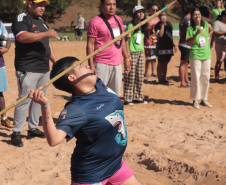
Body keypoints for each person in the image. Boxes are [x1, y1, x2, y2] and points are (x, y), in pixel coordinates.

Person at [28, 56, 142, 185]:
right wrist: (44, 105)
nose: (87, 65)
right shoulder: (76, 108)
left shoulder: (98, 84)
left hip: (116, 165)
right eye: (81, 65)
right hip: (91, 174)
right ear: (71, 77)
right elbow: (54, 140)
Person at [11, 0, 58, 147]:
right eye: (40, 5)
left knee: (39, 98)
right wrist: (46, 34)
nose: (43, 8)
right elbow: (22, 37)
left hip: (43, 68)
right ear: (30, 3)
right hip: (28, 67)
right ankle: (16, 132)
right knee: (24, 100)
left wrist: (55, 61)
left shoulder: (42, 22)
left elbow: (47, 43)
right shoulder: (22, 18)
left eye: (44, 5)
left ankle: (33, 128)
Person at [87, 0, 131, 96]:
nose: (112, 7)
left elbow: (122, 41)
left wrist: (126, 58)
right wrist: (91, 64)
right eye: (108, 5)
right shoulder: (95, 21)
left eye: (114, 4)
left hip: (117, 64)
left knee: (114, 96)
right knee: (99, 95)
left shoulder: (118, 19)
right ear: (101, 6)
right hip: (101, 64)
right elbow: (90, 44)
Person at [186, 7, 213, 109]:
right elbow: (189, 43)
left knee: (205, 78)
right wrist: (196, 34)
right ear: (192, 17)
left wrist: (209, 36)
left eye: (199, 14)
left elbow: (211, 29)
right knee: (196, 78)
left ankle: (204, 99)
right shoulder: (190, 29)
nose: (198, 16)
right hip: (195, 55)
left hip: (206, 54)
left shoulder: (206, 25)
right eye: (195, 15)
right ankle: (195, 100)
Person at [124, 5, 148, 105]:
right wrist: (128, 56)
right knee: (131, 76)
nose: (141, 13)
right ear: (135, 14)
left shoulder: (143, 25)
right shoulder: (131, 26)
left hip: (140, 52)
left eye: (143, 12)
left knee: (139, 76)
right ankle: (128, 98)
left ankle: (138, 97)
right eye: (139, 12)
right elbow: (126, 40)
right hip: (132, 53)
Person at [155, 11, 177, 84]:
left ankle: (164, 78)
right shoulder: (157, 25)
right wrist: (162, 24)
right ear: (159, 17)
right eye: (162, 15)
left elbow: (171, 36)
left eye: (165, 15)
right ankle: (160, 79)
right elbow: (160, 35)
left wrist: (174, 45)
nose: (163, 16)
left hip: (169, 47)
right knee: (160, 63)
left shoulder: (169, 24)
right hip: (161, 47)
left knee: (166, 63)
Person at [0, 21, 12, 128]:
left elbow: (7, 39)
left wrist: (6, 48)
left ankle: (3, 118)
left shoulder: (0, 24)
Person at [179, 2, 193, 87]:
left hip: (184, 43)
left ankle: (186, 79)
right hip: (185, 44)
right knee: (183, 63)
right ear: (191, 10)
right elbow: (189, 32)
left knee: (186, 63)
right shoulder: (187, 19)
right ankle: (182, 82)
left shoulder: (184, 18)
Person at [144, 3, 159, 78]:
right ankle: (146, 71)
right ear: (150, 10)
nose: (155, 11)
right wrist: (151, 27)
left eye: (156, 10)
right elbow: (145, 28)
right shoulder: (146, 18)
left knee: (154, 57)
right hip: (148, 40)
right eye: (153, 10)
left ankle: (153, 72)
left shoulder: (158, 19)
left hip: (155, 40)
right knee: (148, 57)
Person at [213, 10, 226, 81]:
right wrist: (224, 32)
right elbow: (215, 32)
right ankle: (216, 77)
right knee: (219, 61)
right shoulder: (217, 23)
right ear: (224, 17)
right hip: (220, 45)